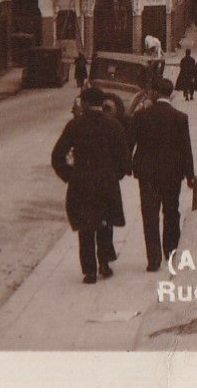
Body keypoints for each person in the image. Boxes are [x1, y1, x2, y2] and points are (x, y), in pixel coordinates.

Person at [50, 86, 130, 284]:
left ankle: (89, 271)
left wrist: (70, 175)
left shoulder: (75, 125)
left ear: (85, 103)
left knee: (86, 226)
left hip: (82, 182)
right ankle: (104, 263)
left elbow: (57, 156)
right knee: (104, 222)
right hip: (106, 181)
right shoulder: (114, 125)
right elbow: (124, 159)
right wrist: (115, 175)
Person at [128, 78, 196, 272]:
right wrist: (190, 175)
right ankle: (171, 251)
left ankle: (153, 259)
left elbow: (129, 143)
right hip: (172, 174)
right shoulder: (180, 117)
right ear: (171, 94)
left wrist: (127, 166)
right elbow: (186, 149)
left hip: (147, 174)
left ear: (155, 94)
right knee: (171, 212)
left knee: (149, 215)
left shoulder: (141, 116)